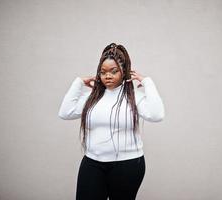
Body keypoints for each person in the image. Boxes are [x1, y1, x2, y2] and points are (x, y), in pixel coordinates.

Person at [58, 42, 165, 200]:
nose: (107, 76)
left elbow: (157, 115)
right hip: (93, 163)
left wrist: (148, 82)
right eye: (103, 72)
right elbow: (65, 113)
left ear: (124, 71)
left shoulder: (134, 97)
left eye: (113, 71)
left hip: (127, 165)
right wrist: (78, 83)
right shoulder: (92, 98)